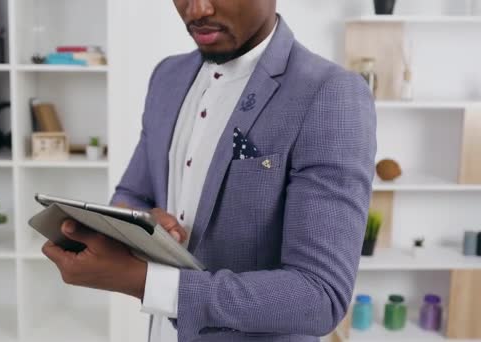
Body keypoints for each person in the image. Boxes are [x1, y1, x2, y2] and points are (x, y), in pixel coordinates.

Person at [42, 0, 377, 341]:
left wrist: (143, 281)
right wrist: (138, 229)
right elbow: (132, 194)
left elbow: (320, 297)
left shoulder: (330, 92)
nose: (197, 10)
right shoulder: (167, 77)